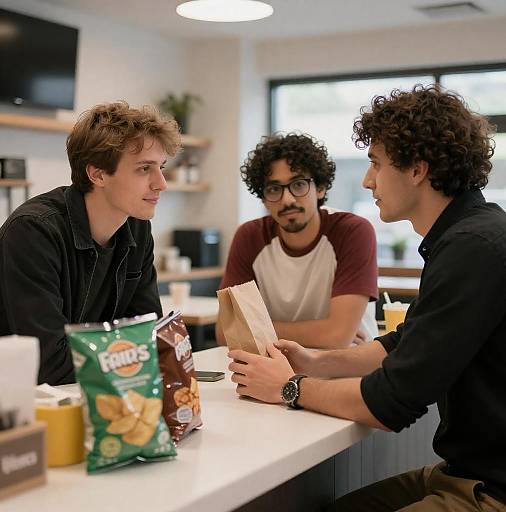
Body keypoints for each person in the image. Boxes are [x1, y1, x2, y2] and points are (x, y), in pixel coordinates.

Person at [227, 86, 506, 511]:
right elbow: (403, 343)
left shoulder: (474, 247)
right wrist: (316, 361)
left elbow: (390, 402)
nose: (367, 180)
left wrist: (289, 387)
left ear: (417, 168)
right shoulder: (469, 234)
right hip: (466, 473)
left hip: (494, 491)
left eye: (376, 163)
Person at [0, 101, 181, 385]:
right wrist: (128, 357)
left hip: (94, 392)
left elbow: (149, 338)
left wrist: (129, 356)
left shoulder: (137, 227)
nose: (161, 183)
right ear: (97, 174)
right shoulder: (34, 232)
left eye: (161, 167)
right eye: (145, 169)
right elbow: (49, 364)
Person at [217, 133, 378, 349]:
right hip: (277, 366)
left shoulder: (353, 232)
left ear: (320, 188)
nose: (287, 199)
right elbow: (225, 333)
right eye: (274, 189)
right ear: (264, 198)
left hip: (347, 369)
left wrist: (257, 330)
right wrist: (326, 331)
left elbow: (336, 336)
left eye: (299, 185)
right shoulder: (249, 237)